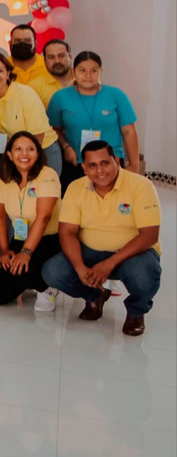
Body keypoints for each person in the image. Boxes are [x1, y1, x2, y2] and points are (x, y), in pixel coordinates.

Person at [41, 141, 161, 336]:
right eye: (92, 165)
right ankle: (95, 296)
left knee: (144, 276)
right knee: (53, 272)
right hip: (90, 252)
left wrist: (109, 263)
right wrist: (80, 267)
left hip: (133, 254)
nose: (99, 170)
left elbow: (149, 235)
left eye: (105, 163)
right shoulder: (75, 188)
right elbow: (67, 232)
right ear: (84, 167)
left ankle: (136, 313)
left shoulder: (141, 186)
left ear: (116, 161)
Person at [0, 131, 63, 312]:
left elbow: (43, 217)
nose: (24, 154)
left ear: (38, 153)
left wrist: (26, 253)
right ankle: (28, 278)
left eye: (30, 149)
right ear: (10, 154)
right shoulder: (3, 176)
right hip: (20, 237)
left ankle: (47, 287)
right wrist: (4, 250)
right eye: (18, 149)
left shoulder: (47, 175)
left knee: (22, 271)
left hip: (50, 239)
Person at [47, 51, 139, 191]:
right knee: (76, 201)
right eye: (82, 70)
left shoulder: (116, 96)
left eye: (94, 70)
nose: (88, 75)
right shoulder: (60, 97)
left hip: (111, 161)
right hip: (76, 161)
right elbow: (54, 129)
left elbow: (129, 131)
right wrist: (66, 147)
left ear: (101, 72)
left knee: (112, 201)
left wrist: (134, 165)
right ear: (73, 72)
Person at [0, 52, 61, 182]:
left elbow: (38, 135)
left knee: (39, 191)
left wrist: (27, 165)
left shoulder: (25, 94)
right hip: (8, 152)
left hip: (41, 150)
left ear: (8, 73)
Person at [5, 24, 61, 106]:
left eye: (27, 41)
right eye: (17, 41)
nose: (22, 44)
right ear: (10, 43)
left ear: (35, 43)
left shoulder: (49, 65)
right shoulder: (1, 67)